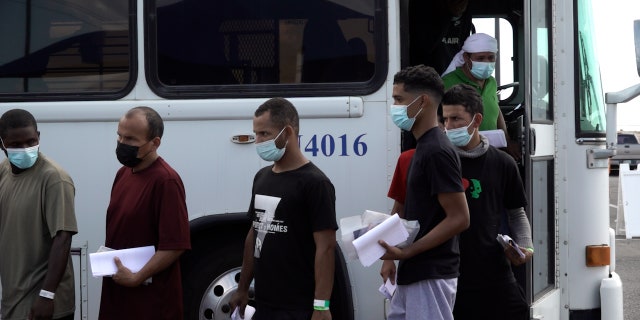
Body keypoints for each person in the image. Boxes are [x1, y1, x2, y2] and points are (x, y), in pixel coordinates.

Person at [230, 97, 338, 320]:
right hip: (265, 304)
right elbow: (255, 233)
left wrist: (321, 306)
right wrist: (242, 288)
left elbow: (326, 248)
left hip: (298, 307)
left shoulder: (316, 184)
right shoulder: (261, 177)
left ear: (287, 133)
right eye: (256, 134)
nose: (258, 141)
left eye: (265, 134)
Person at [379, 65, 470, 320]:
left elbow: (460, 218)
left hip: (431, 273)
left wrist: (407, 252)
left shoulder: (437, 151)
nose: (394, 106)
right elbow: (406, 208)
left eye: (399, 99)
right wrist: (391, 256)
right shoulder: (423, 148)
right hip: (415, 272)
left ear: (423, 101)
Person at [440, 84, 533, 320]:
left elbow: (517, 213)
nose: (448, 126)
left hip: (494, 271)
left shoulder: (503, 163)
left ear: (477, 119)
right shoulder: (437, 161)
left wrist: (526, 247)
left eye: (456, 119)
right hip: (449, 273)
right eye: (445, 119)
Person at [99, 106, 191, 319]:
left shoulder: (166, 181)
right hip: (119, 294)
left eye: (131, 139)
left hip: (150, 302)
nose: (122, 144)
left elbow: (175, 245)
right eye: (119, 136)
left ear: (155, 143)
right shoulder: (123, 173)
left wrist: (137, 277)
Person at [0, 109, 77, 320]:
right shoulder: (4, 171)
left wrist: (46, 296)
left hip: (43, 305)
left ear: (39, 137)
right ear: (2, 144)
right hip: (14, 298)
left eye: (31, 141)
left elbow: (63, 239)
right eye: (16, 145)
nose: (25, 149)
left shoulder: (54, 178)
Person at [441, 33, 521, 160]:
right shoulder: (448, 82)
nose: (486, 62)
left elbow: (495, 109)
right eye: (481, 58)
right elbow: (438, 120)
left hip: (491, 151)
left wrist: (507, 141)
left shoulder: (492, 82)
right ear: (467, 58)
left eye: (491, 58)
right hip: (461, 153)